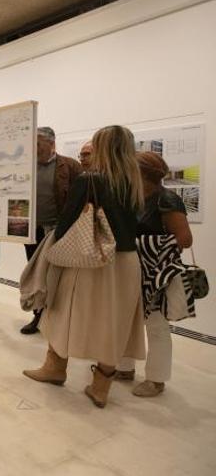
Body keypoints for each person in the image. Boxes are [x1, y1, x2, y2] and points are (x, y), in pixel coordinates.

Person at [23, 125, 146, 409]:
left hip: (92, 261)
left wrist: (51, 250)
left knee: (61, 311)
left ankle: (54, 368)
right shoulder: (134, 181)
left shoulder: (90, 179)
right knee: (113, 323)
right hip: (126, 262)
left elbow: (67, 220)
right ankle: (101, 387)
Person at [115, 152, 193, 397]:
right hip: (131, 269)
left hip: (157, 274)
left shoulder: (167, 200)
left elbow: (184, 239)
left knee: (156, 325)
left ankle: (156, 379)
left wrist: (147, 247)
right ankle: (125, 367)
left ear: (141, 172)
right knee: (126, 320)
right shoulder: (132, 198)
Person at [20, 127, 83, 334]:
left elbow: (81, 200)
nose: (34, 148)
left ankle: (60, 320)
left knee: (58, 277)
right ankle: (38, 317)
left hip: (58, 232)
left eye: (37, 143)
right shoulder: (25, 166)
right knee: (36, 275)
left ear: (51, 143)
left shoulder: (71, 166)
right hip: (33, 231)